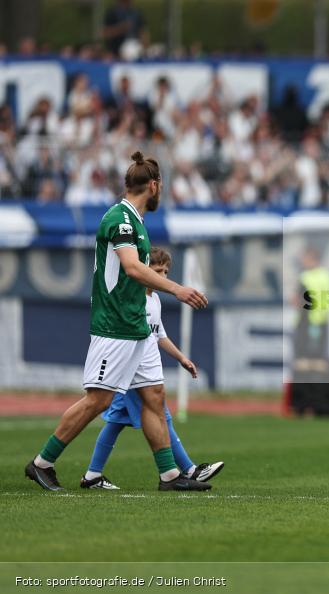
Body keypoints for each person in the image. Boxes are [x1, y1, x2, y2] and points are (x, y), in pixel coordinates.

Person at [25, 151, 210, 492]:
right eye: (161, 186)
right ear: (153, 186)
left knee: (154, 396)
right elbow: (132, 267)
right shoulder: (121, 220)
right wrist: (177, 289)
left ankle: (170, 475)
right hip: (115, 326)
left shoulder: (135, 222)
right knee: (98, 400)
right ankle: (42, 463)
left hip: (134, 324)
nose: (161, 192)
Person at [80, 247, 224, 490]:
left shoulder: (154, 299)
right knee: (161, 416)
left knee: (115, 422)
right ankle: (189, 469)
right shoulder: (134, 298)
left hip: (136, 373)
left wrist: (181, 358)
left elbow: (159, 335)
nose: (163, 276)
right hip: (132, 372)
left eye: (166, 271)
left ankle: (92, 475)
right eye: (158, 271)